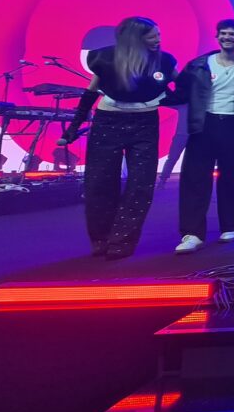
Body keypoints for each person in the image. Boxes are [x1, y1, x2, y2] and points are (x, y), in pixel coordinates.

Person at [56, 16, 177, 259]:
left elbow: (181, 87)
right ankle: (101, 237)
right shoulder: (105, 58)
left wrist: (166, 97)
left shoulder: (163, 61)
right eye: (152, 36)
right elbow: (90, 94)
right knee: (99, 181)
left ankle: (122, 240)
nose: (158, 39)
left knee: (141, 184)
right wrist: (72, 129)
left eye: (159, 34)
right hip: (108, 122)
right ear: (135, 39)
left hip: (145, 124)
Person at [168, 19, 234, 253]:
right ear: (217, 37)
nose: (226, 37)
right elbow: (179, 92)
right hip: (204, 125)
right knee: (194, 180)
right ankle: (192, 234)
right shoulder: (199, 64)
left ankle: (230, 226)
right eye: (223, 33)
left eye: (232, 34)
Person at [157, 104, 188, 189]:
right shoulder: (183, 105)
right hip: (181, 136)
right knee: (172, 158)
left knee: (172, 159)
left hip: (188, 136)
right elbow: (168, 103)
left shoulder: (184, 105)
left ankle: (162, 181)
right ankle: (162, 181)